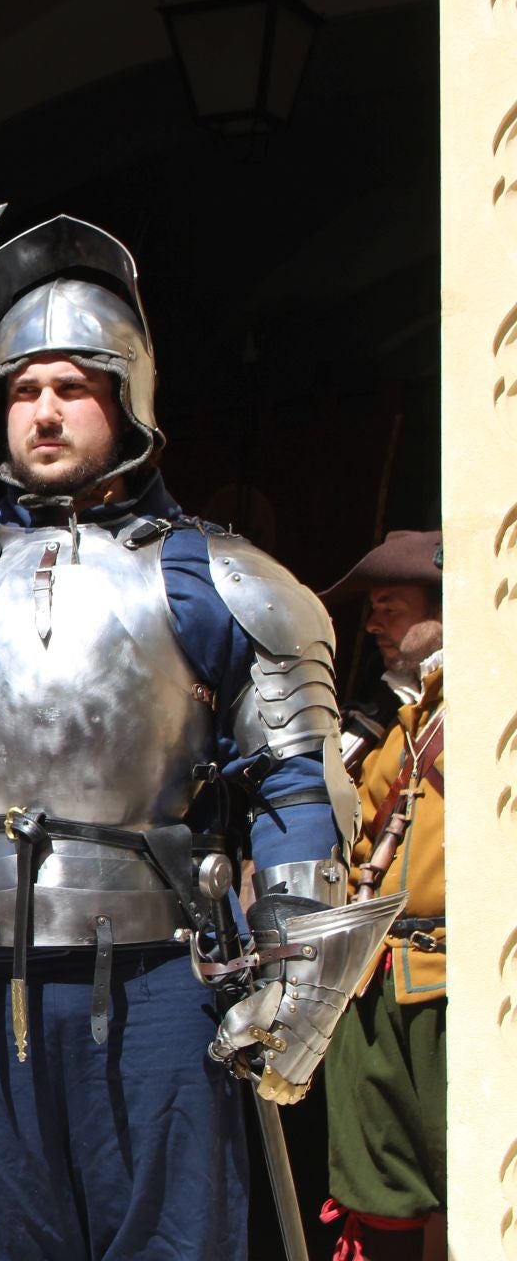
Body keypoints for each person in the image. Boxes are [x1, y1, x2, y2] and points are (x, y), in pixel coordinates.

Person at [0, 216, 398, 1259]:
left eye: (72, 385)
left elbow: (294, 784)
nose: (44, 409)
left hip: (161, 977)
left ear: (128, 399)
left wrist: (296, 979)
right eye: (22, 389)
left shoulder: (224, 580)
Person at [319, 531, 447, 1260]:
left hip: (461, 987)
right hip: (375, 984)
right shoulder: (375, 728)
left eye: (388, 605)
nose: (372, 623)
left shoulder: (491, 707)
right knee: (379, 1197)